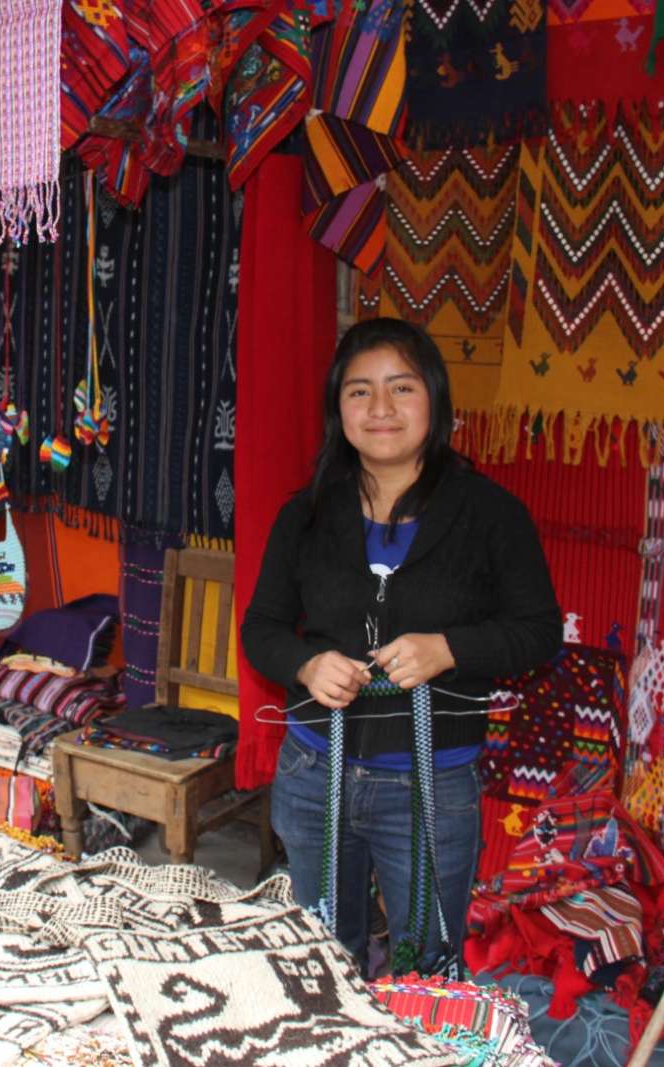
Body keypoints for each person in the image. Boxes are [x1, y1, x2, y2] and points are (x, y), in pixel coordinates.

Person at [240, 317, 561, 975]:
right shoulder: (304, 515)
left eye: (401, 388)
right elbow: (262, 628)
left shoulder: (491, 516)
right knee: (324, 963)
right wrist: (305, 663)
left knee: (424, 970)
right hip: (313, 777)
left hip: (430, 787)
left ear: (435, 400)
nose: (380, 409)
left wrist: (449, 648)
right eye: (359, 391)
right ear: (339, 408)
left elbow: (539, 631)